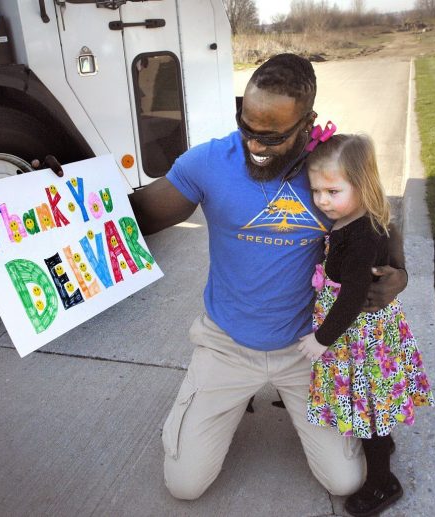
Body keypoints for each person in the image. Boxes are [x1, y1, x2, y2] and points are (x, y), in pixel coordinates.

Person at [41, 53, 408, 499]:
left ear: (308, 123)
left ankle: (287, 406)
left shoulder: (332, 167)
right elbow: (135, 217)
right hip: (227, 344)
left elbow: (380, 218)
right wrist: (66, 198)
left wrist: (399, 272)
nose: (255, 144)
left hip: (307, 346)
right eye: (247, 126)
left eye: (272, 136)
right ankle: (217, 403)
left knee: (345, 481)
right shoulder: (209, 163)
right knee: (185, 485)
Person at [297, 133, 434, 516]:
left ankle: (382, 483)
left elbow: (354, 296)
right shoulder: (354, 219)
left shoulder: (362, 239)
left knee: (367, 412)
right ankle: (382, 442)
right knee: (370, 410)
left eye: (333, 191)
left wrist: (321, 340)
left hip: (360, 341)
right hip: (360, 337)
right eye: (316, 191)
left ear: (362, 184)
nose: (322, 200)